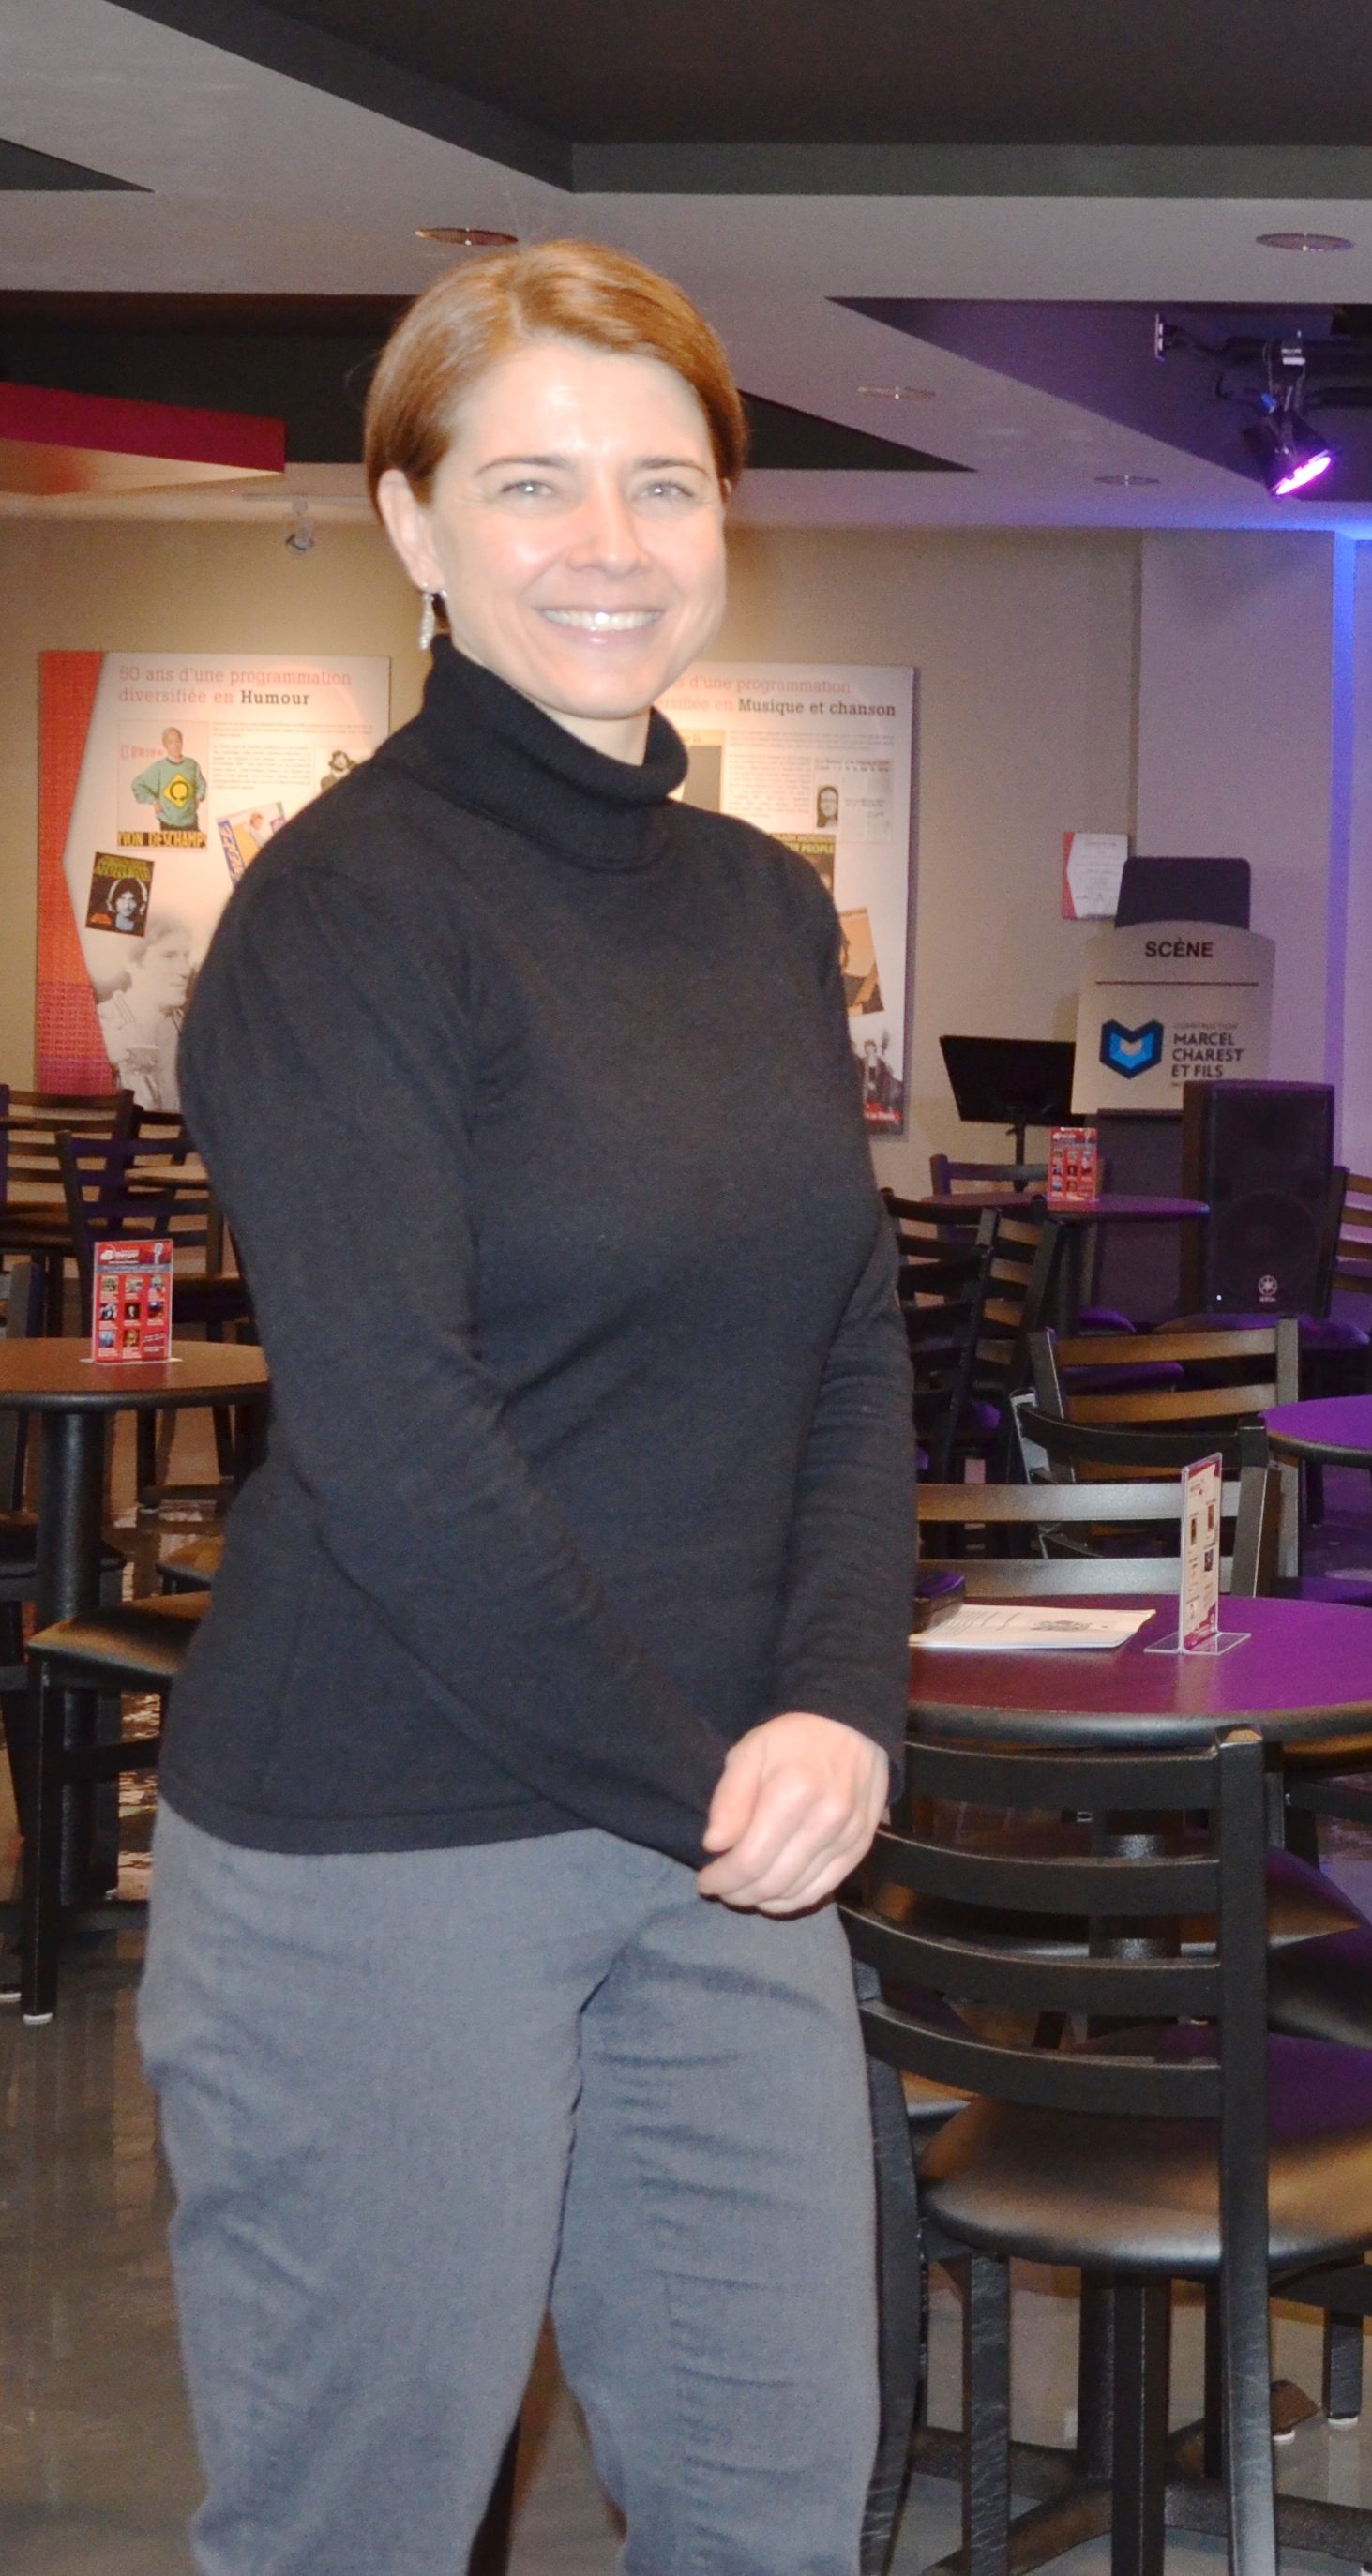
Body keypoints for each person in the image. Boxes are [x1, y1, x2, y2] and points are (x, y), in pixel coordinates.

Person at [141, 241, 909, 2573]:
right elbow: (398, 1434)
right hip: (387, 1835)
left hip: (724, 1828)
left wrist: (840, 1703)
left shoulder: (758, 908)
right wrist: (708, 1777)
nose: (609, 543)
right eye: (533, 482)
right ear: (413, 520)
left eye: (662, 483)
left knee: (774, 2508)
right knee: (359, 2525)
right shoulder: (346, 910)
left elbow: (847, 1338)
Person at [132, 722, 207, 833]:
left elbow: (201, 783)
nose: (175, 745)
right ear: (165, 745)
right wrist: (153, 801)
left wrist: (198, 796)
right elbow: (137, 784)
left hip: (191, 822)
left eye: (178, 741)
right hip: (168, 823)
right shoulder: (159, 767)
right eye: (170, 742)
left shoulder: (192, 764)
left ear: (182, 742)